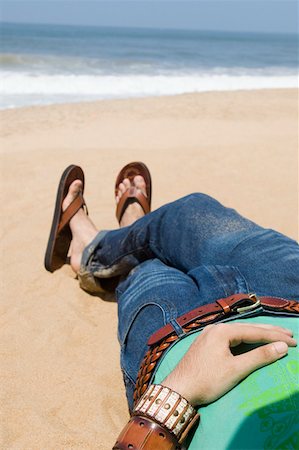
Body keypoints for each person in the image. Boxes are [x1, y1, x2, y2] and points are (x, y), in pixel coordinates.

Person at [45, 163, 299, 449]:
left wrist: (175, 393)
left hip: (179, 348)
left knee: (147, 269)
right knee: (190, 210)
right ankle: (110, 238)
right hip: (291, 293)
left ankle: (100, 241)